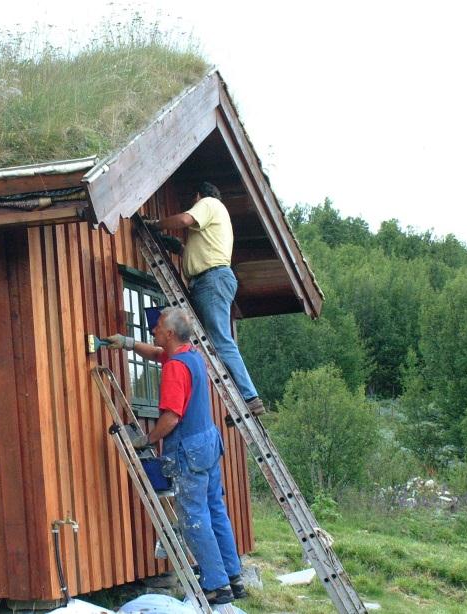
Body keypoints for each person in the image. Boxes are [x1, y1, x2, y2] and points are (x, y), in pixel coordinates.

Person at [104, 308, 246, 605]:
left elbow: (170, 418)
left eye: (157, 327)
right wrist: (127, 344)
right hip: (207, 445)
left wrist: (146, 440)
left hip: (188, 452)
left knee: (195, 518)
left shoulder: (175, 369)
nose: (153, 330)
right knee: (215, 510)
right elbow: (156, 353)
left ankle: (216, 585)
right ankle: (233, 576)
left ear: (169, 333)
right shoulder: (191, 355)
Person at [148, 182, 265, 417]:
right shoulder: (216, 223)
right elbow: (197, 253)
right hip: (210, 280)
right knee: (213, 341)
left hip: (211, 280)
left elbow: (183, 221)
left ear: (198, 195)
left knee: (221, 341)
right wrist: (178, 247)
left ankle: (250, 397)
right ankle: (245, 399)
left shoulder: (210, 203)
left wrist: (156, 225)